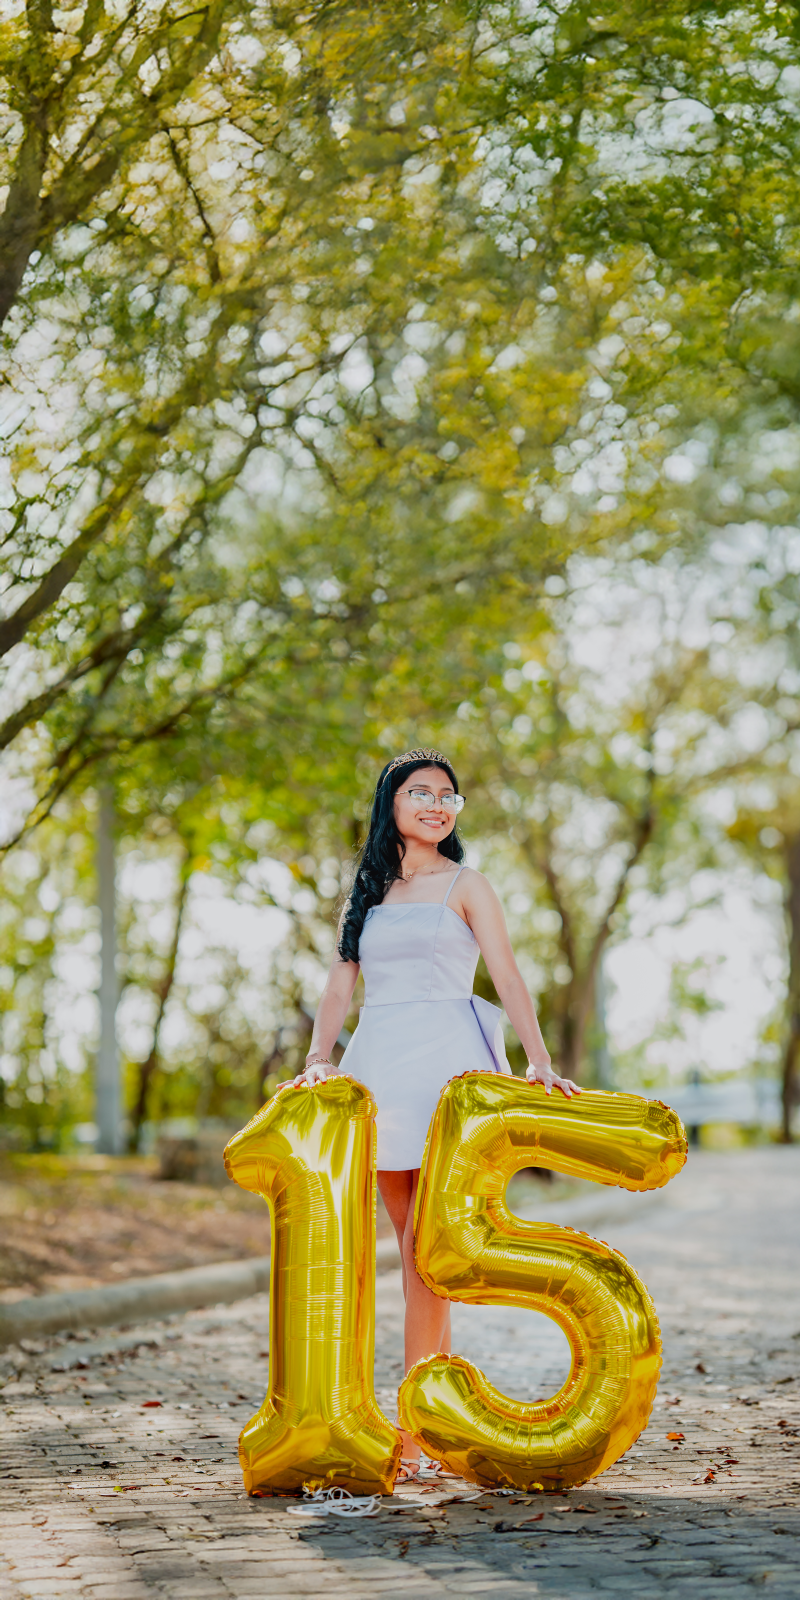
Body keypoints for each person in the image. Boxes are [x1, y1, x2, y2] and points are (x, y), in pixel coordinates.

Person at [289, 747, 580, 1478]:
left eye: (448, 796)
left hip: (448, 1068)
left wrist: (539, 1060)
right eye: (420, 792)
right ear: (390, 803)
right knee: (411, 1251)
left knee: (428, 1250)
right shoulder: (366, 892)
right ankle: (435, 1416)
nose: (436, 805)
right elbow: (340, 985)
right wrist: (319, 1058)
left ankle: (415, 1429)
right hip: (381, 1066)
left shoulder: (467, 884)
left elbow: (506, 972)